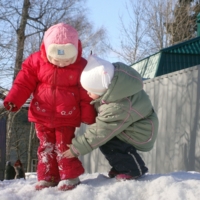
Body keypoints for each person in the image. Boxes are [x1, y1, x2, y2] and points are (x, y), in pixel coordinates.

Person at [3, 23, 96, 190]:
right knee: (45, 146)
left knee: (64, 146)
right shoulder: (36, 61)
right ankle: (48, 176)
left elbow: (85, 92)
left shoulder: (81, 66)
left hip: (67, 115)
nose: (61, 64)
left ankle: (69, 176)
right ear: (46, 50)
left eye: (67, 60)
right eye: (56, 60)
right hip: (42, 113)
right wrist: (14, 100)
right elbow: (23, 83)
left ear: (76, 50)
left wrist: (88, 113)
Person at [63, 55, 159, 182]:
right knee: (107, 140)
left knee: (108, 140)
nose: (87, 93)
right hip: (133, 125)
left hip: (140, 131)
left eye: (90, 90)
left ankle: (132, 169)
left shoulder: (118, 105)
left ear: (103, 88)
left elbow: (102, 129)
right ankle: (121, 167)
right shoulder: (116, 89)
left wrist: (78, 147)